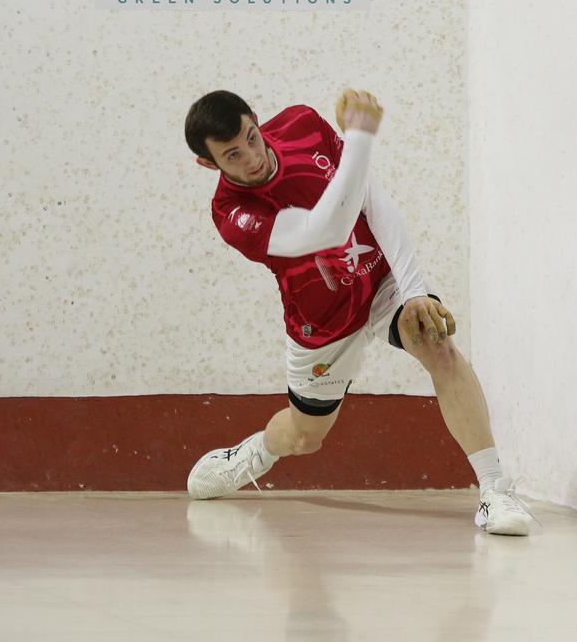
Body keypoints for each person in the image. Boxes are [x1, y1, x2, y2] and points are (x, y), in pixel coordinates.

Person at [182, 88, 532, 534]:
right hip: (322, 322)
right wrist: (361, 138)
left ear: (255, 118)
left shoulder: (301, 124)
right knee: (306, 438)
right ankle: (253, 455)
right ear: (208, 164)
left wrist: (416, 290)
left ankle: (495, 493)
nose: (252, 156)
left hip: (380, 281)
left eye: (252, 136)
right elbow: (326, 229)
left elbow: (371, 200)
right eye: (232, 155)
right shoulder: (232, 212)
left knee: (437, 345)